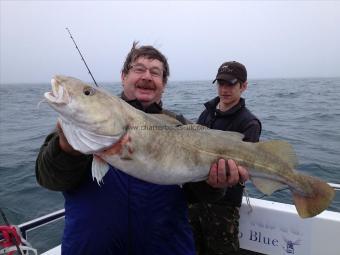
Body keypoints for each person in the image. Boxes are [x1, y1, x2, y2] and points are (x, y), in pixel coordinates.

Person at [35, 44, 249, 255]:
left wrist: (213, 185)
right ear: (123, 76)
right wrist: (66, 150)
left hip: (166, 246)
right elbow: (49, 179)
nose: (147, 76)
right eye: (139, 69)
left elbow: (197, 194)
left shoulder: (183, 127)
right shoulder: (77, 126)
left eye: (155, 73)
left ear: (163, 84)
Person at [187, 61, 262, 255]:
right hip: (196, 196)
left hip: (224, 204)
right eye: (220, 83)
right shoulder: (207, 112)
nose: (224, 89)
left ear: (243, 86)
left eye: (230, 84)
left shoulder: (249, 122)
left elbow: (247, 168)